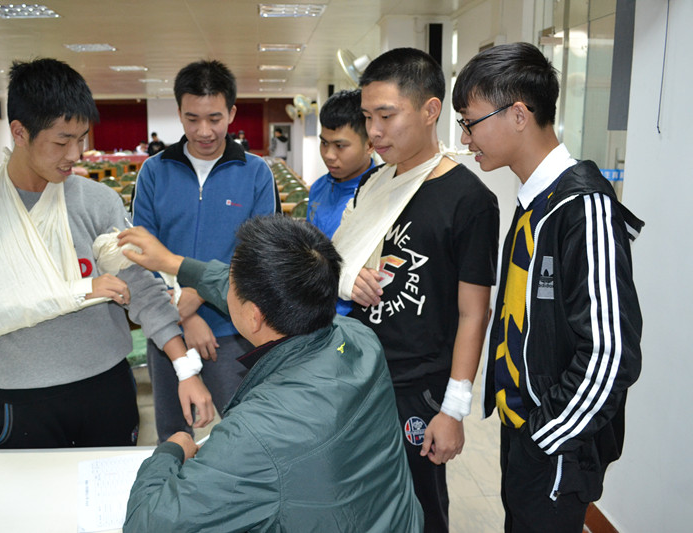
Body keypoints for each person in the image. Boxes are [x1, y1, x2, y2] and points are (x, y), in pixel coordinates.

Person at [0, 58, 214, 449]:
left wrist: (185, 368)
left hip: (105, 385)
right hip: (17, 394)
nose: (76, 153)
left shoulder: (96, 201)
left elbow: (141, 288)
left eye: (82, 138)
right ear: (19, 132)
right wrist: (80, 291)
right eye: (61, 141)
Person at [118, 216, 424, 532]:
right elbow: (246, 292)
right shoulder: (359, 337)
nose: (227, 285)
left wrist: (172, 450)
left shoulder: (255, 434)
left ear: (254, 316)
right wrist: (173, 263)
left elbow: (147, 524)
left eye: (233, 282)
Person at [453, 42, 643, 533]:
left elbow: (611, 354)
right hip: (523, 432)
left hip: (554, 444)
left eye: (470, 122)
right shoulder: (536, 203)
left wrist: (544, 437)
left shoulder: (583, 207)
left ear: (519, 115)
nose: (465, 137)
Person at [331, 47, 500, 532]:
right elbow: (339, 260)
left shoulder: (469, 200)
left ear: (430, 110)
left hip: (418, 387)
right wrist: (349, 276)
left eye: (386, 116)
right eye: (368, 117)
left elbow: (474, 313)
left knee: (419, 506)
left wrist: (454, 409)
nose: (374, 131)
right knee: (359, 500)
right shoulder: (373, 183)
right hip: (357, 370)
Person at [132, 59, 278, 442]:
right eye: (192, 118)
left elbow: (257, 257)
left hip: (234, 329)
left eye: (214, 118)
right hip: (168, 330)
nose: (204, 131)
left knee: (243, 436)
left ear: (232, 113)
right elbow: (143, 254)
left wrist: (199, 294)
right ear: (179, 112)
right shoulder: (154, 171)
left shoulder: (256, 173)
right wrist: (185, 315)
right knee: (173, 437)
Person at [307, 89, 375, 316]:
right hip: (315, 310)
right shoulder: (318, 188)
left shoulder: (379, 195)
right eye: (324, 143)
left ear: (370, 144)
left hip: (358, 318)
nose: (328, 154)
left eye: (340, 146)